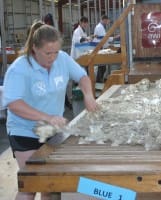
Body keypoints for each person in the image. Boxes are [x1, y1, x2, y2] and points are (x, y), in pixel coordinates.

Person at [3, 22, 98, 200]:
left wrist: (88, 95)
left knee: (50, 184)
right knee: (30, 185)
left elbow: (82, 76)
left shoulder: (62, 58)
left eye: (56, 52)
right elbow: (14, 103)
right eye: (48, 53)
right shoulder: (20, 68)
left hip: (52, 129)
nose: (53, 57)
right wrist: (47, 117)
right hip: (25, 130)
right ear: (34, 48)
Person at [93, 15, 119, 83]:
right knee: (101, 66)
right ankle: (99, 81)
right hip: (99, 47)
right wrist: (114, 38)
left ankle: (100, 79)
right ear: (104, 20)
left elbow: (104, 38)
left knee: (102, 66)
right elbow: (104, 38)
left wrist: (110, 41)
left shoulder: (101, 27)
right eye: (107, 21)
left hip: (101, 47)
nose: (108, 22)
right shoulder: (99, 27)